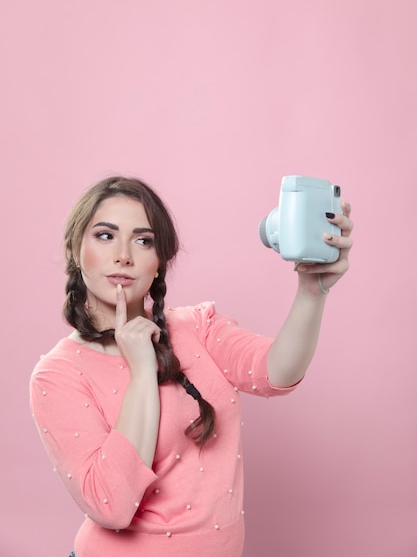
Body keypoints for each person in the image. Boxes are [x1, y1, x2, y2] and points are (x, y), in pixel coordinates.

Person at [30, 175, 353, 557]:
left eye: (143, 240)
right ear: (74, 249)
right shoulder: (58, 373)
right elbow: (111, 506)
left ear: (159, 262)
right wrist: (140, 371)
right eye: (105, 235)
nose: (124, 255)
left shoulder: (197, 326)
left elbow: (275, 373)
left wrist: (313, 289)